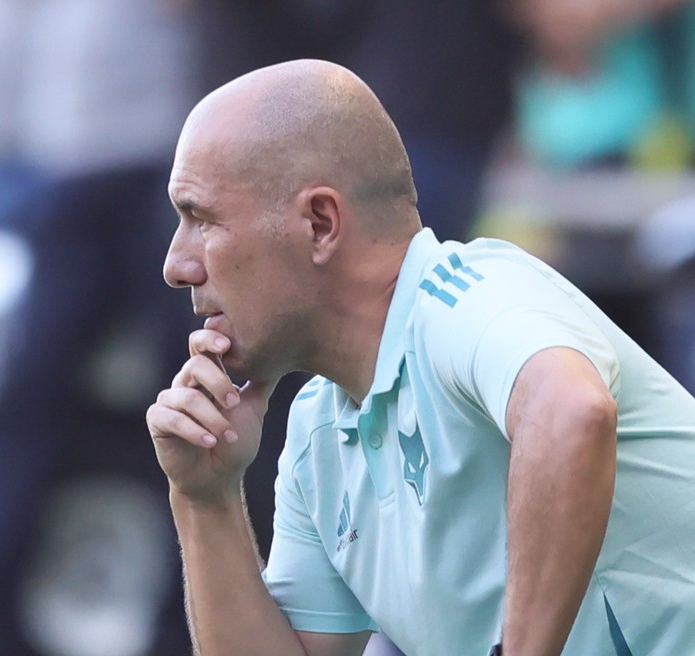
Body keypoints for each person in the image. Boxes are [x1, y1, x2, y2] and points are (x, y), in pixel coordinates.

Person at [145, 59, 695, 655]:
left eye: (201, 219)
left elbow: (570, 411)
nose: (176, 266)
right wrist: (205, 498)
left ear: (320, 223)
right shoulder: (316, 432)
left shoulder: (467, 296)